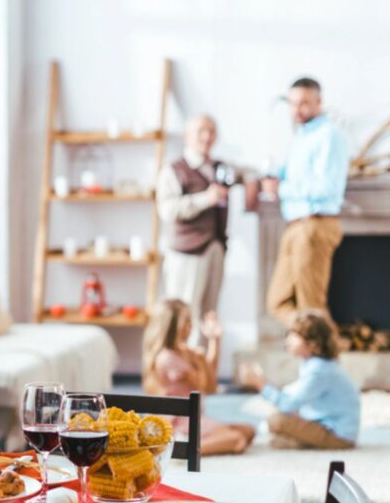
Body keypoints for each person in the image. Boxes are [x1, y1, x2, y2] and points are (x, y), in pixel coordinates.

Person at [263, 77, 350, 326]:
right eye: (292, 104)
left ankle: (325, 354)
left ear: (318, 101)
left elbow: (327, 187)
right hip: (295, 225)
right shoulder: (302, 137)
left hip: (315, 225)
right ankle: (313, 340)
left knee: (312, 307)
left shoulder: (329, 136)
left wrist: (283, 188)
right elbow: (296, 176)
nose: (296, 110)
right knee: (277, 302)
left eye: (303, 103)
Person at [157, 115, 233, 347]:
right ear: (187, 136)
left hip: (215, 247)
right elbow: (167, 210)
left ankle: (203, 375)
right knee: (184, 313)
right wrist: (205, 199)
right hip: (186, 253)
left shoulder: (221, 168)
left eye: (211, 131)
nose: (207, 136)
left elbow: (247, 174)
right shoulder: (174, 170)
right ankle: (181, 375)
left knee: (209, 315)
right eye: (201, 131)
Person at [143, 300, 256, 455]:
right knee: (237, 439)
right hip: (178, 420)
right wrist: (201, 359)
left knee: (248, 431)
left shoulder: (184, 352)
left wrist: (214, 340)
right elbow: (208, 387)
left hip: (194, 416)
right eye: (187, 321)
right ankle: (181, 449)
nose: (191, 326)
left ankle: (189, 444)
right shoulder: (167, 359)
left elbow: (209, 376)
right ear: (173, 326)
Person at [241, 311, 360, 450]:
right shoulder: (313, 364)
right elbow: (292, 395)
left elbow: (288, 405)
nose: (288, 340)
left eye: (294, 336)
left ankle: (304, 442)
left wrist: (261, 385)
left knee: (276, 421)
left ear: (312, 342)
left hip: (338, 435)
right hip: (330, 426)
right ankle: (300, 442)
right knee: (283, 418)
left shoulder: (319, 370)